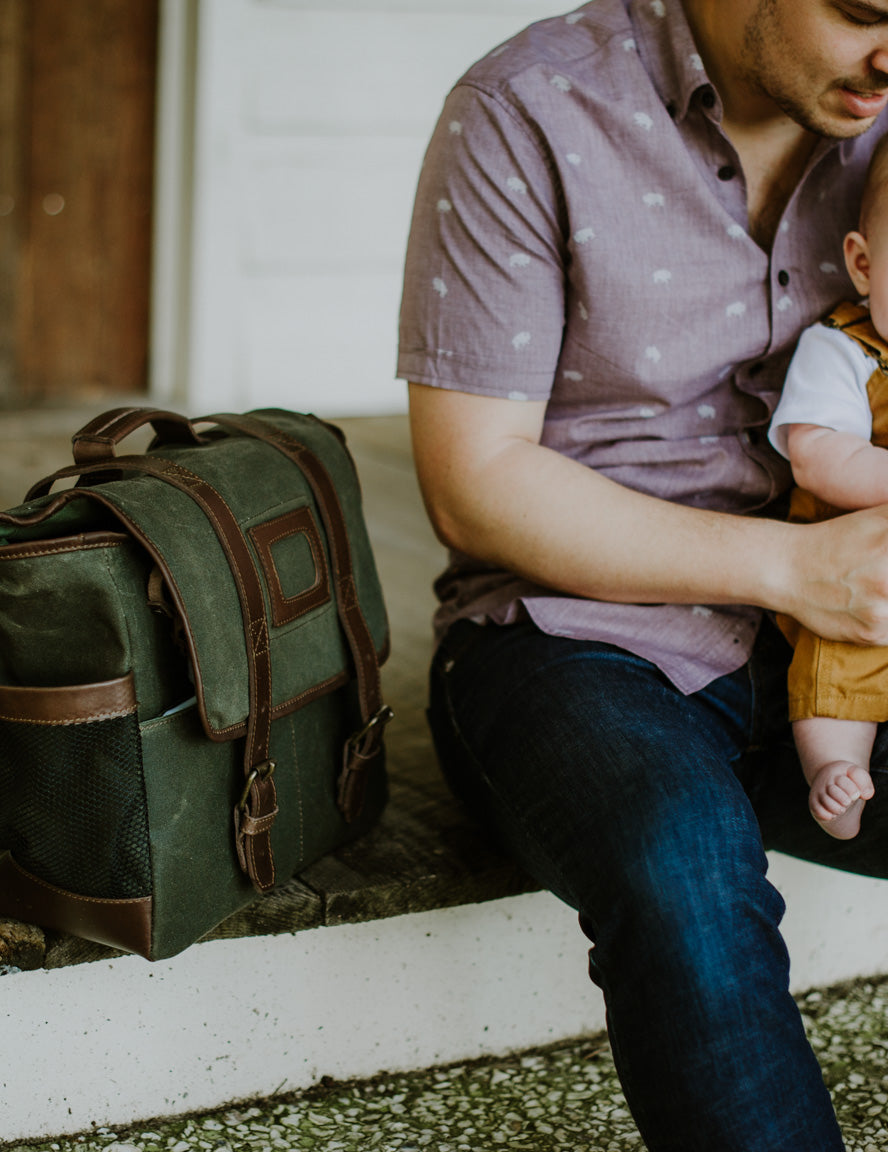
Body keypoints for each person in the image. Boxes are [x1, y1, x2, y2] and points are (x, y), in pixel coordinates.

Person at [398, 1, 888, 1149]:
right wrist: (798, 568)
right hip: (580, 638)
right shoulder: (525, 109)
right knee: (680, 861)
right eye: (863, 9)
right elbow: (474, 484)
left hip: (854, 650)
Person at [769, 139, 888, 842]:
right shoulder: (840, 350)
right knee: (836, 669)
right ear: (865, 265)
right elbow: (816, 458)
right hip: (852, 573)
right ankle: (836, 774)